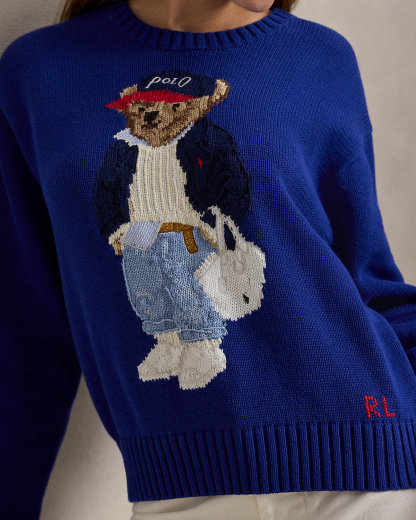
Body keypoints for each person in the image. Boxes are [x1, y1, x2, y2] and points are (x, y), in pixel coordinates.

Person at [1, 0, 416, 518]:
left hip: (366, 468)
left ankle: (200, 345)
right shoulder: (38, 73)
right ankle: (174, 344)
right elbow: (25, 333)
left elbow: (371, 280)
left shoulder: (318, 58)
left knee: (188, 274)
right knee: (152, 281)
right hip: (178, 487)